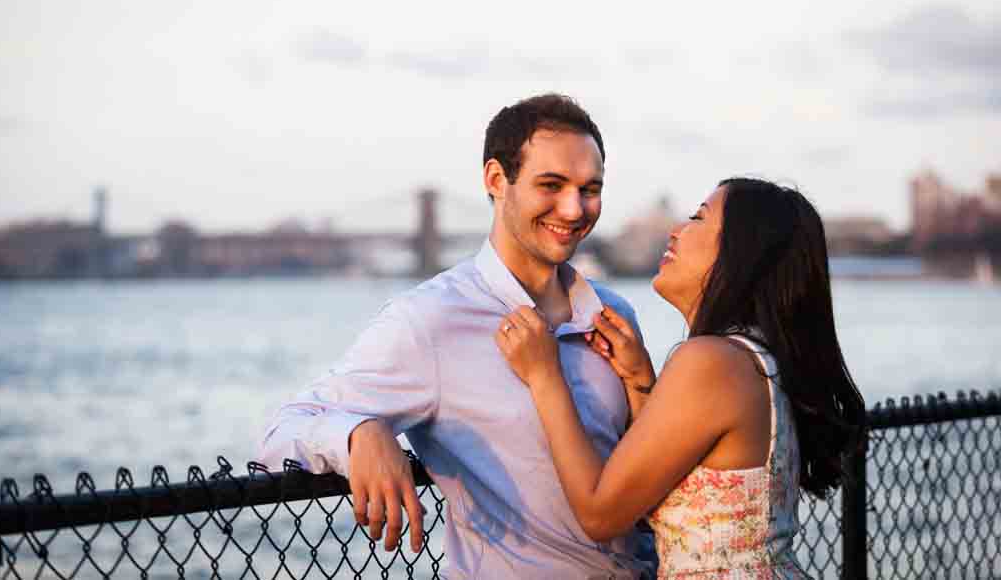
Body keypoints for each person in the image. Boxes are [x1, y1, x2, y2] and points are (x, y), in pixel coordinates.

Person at [259, 93, 655, 578]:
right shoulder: (430, 320)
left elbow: (648, 474)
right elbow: (281, 433)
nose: (574, 210)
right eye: (551, 185)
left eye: (589, 189)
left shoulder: (616, 314)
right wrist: (358, 434)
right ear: (495, 180)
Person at [496, 178, 866, 579]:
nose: (676, 230)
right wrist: (641, 382)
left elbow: (600, 514)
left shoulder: (712, 362)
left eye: (698, 218)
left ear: (740, 253)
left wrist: (545, 376)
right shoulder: (752, 358)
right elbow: (662, 489)